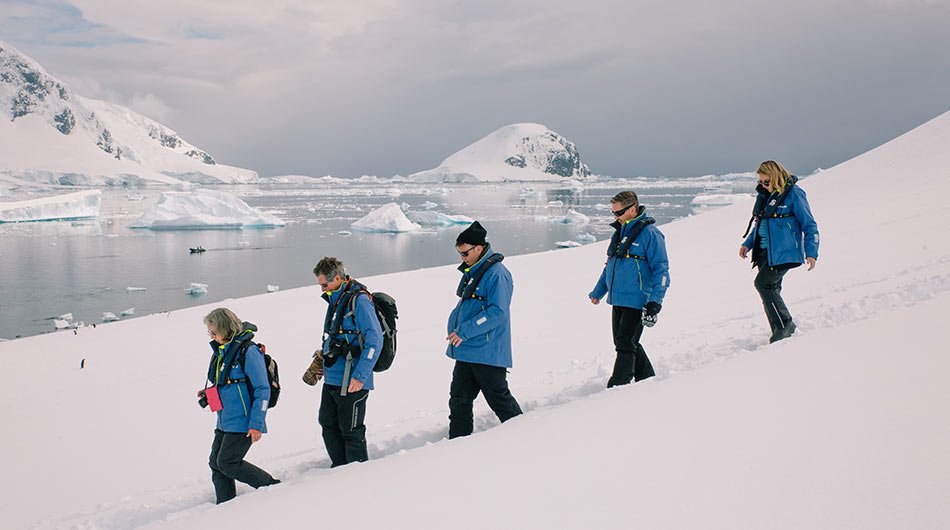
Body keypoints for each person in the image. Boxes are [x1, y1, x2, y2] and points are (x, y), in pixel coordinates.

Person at [446, 221, 523, 439]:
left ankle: (524, 435)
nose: (462, 258)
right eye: (459, 253)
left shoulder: (497, 274)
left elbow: (498, 312)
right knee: (458, 399)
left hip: (487, 351)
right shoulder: (474, 270)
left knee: (499, 399)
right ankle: (457, 443)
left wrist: (465, 330)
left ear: (479, 248)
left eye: (465, 253)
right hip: (467, 349)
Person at [589, 191, 670, 387]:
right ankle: (647, 378)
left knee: (625, 344)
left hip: (637, 299)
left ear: (632, 209)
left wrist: (655, 302)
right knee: (624, 341)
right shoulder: (620, 233)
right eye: (613, 213)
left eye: (619, 212)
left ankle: (618, 384)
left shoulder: (651, 234)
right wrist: (599, 291)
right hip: (618, 298)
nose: (615, 217)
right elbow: (610, 265)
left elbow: (661, 269)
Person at [198, 308, 278, 504]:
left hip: (244, 420)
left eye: (214, 332)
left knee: (227, 462)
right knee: (216, 463)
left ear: (225, 329)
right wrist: (209, 394)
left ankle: (273, 486)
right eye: (209, 333)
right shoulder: (221, 351)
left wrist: (256, 424)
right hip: (224, 419)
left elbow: (262, 389)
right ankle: (225, 504)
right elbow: (227, 384)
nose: (212, 336)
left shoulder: (248, 351)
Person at [312, 257, 383, 467]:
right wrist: (321, 362)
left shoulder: (359, 300)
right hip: (333, 377)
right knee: (328, 423)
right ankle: (340, 468)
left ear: (337, 279)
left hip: (352, 380)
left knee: (351, 430)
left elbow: (375, 339)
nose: (322, 289)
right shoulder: (335, 300)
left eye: (324, 284)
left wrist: (360, 376)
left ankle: (357, 474)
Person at [739, 160, 820, 343]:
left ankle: (785, 325)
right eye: (761, 182)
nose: (763, 185)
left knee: (764, 285)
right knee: (771, 288)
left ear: (776, 177)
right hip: (764, 252)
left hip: (785, 252)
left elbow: (809, 225)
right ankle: (777, 329)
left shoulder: (794, 194)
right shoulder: (766, 196)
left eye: (766, 182)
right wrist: (748, 244)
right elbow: (761, 223)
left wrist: (811, 252)